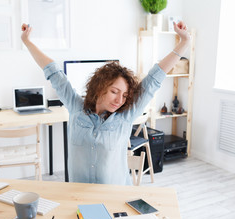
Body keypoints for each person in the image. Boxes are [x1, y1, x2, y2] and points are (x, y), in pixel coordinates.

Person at [21, 21, 190, 185]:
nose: (119, 100)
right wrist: (27, 42)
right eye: (114, 92)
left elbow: (155, 78)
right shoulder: (76, 107)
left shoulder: (126, 116)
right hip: (79, 196)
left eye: (124, 95)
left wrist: (184, 42)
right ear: (99, 87)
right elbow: (54, 72)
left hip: (115, 197)